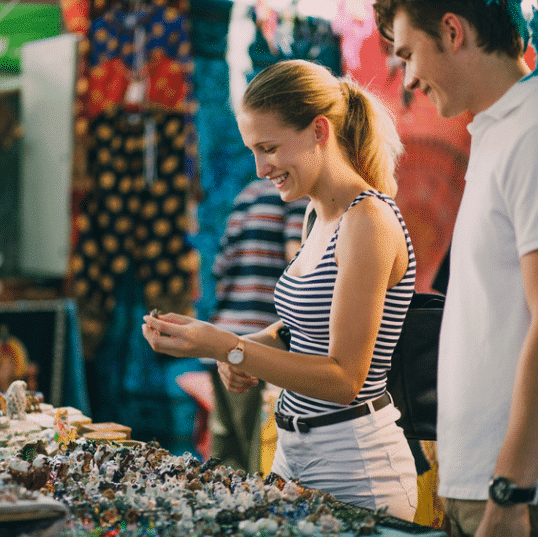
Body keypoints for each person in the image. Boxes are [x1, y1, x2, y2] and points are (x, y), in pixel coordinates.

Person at [143, 59, 418, 521]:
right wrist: (217, 343)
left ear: (318, 131)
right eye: (253, 150)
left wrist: (230, 348)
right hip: (297, 454)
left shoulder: (367, 221)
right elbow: (296, 330)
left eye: (268, 147)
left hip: (355, 469)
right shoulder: (317, 215)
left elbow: (344, 379)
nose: (260, 167)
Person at [373, 1, 538, 535]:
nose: (408, 77)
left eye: (408, 54)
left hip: (511, 494)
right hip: (479, 485)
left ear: (451, 31)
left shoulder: (530, 134)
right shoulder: (496, 131)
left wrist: (512, 490)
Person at [208, 178, 307, 474]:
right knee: (257, 462)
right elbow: (298, 260)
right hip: (261, 344)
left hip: (225, 339)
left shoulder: (246, 194)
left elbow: (219, 269)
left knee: (225, 464)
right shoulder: (296, 197)